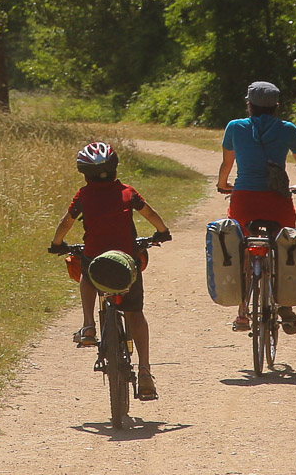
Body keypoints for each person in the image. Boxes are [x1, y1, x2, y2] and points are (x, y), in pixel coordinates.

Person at [50, 140, 172, 400]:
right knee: (135, 312)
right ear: (115, 168)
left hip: (96, 261)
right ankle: (145, 372)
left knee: (86, 275)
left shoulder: (83, 196)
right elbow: (149, 213)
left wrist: (56, 244)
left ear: (84, 173)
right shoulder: (127, 192)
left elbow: (66, 222)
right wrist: (162, 232)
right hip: (125, 261)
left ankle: (88, 326)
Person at [217, 80, 296, 333]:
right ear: (276, 106)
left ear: (249, 105)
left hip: (244, 200)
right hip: (278, 200)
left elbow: (227, 164)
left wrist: (224, 185)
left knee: (242, 246)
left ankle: (242, 312)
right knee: (286, 246)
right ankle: (285, 303)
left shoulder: (235, 127)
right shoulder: (288, 129)